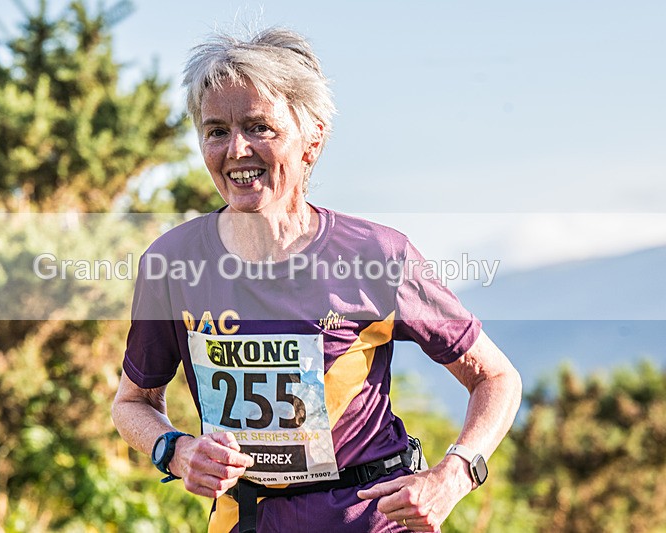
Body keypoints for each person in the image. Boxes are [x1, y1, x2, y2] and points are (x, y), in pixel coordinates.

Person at [112, 27, 522, 533]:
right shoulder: (172, 262)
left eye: (259, 127)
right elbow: (133, 402)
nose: (236, 149)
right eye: (216, 130)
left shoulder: (375, 255)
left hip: (370, 520)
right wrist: (174, 450)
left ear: (311, 141)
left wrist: (452, 476)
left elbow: (496, 379)